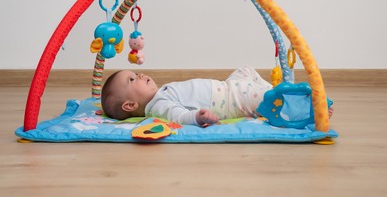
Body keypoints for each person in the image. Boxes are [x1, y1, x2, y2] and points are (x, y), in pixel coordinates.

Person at [101, 66, 333, 126]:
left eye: (135, 73)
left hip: (227, 86)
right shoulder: (157, 106)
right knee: (258, 96)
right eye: (132, 79)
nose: (140, 74)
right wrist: (197, 117)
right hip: (231, 100)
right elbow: (178, 116)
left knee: (246, 70)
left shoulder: (160, 94)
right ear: (130, 104)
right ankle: (307, 108)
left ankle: (272, 94)